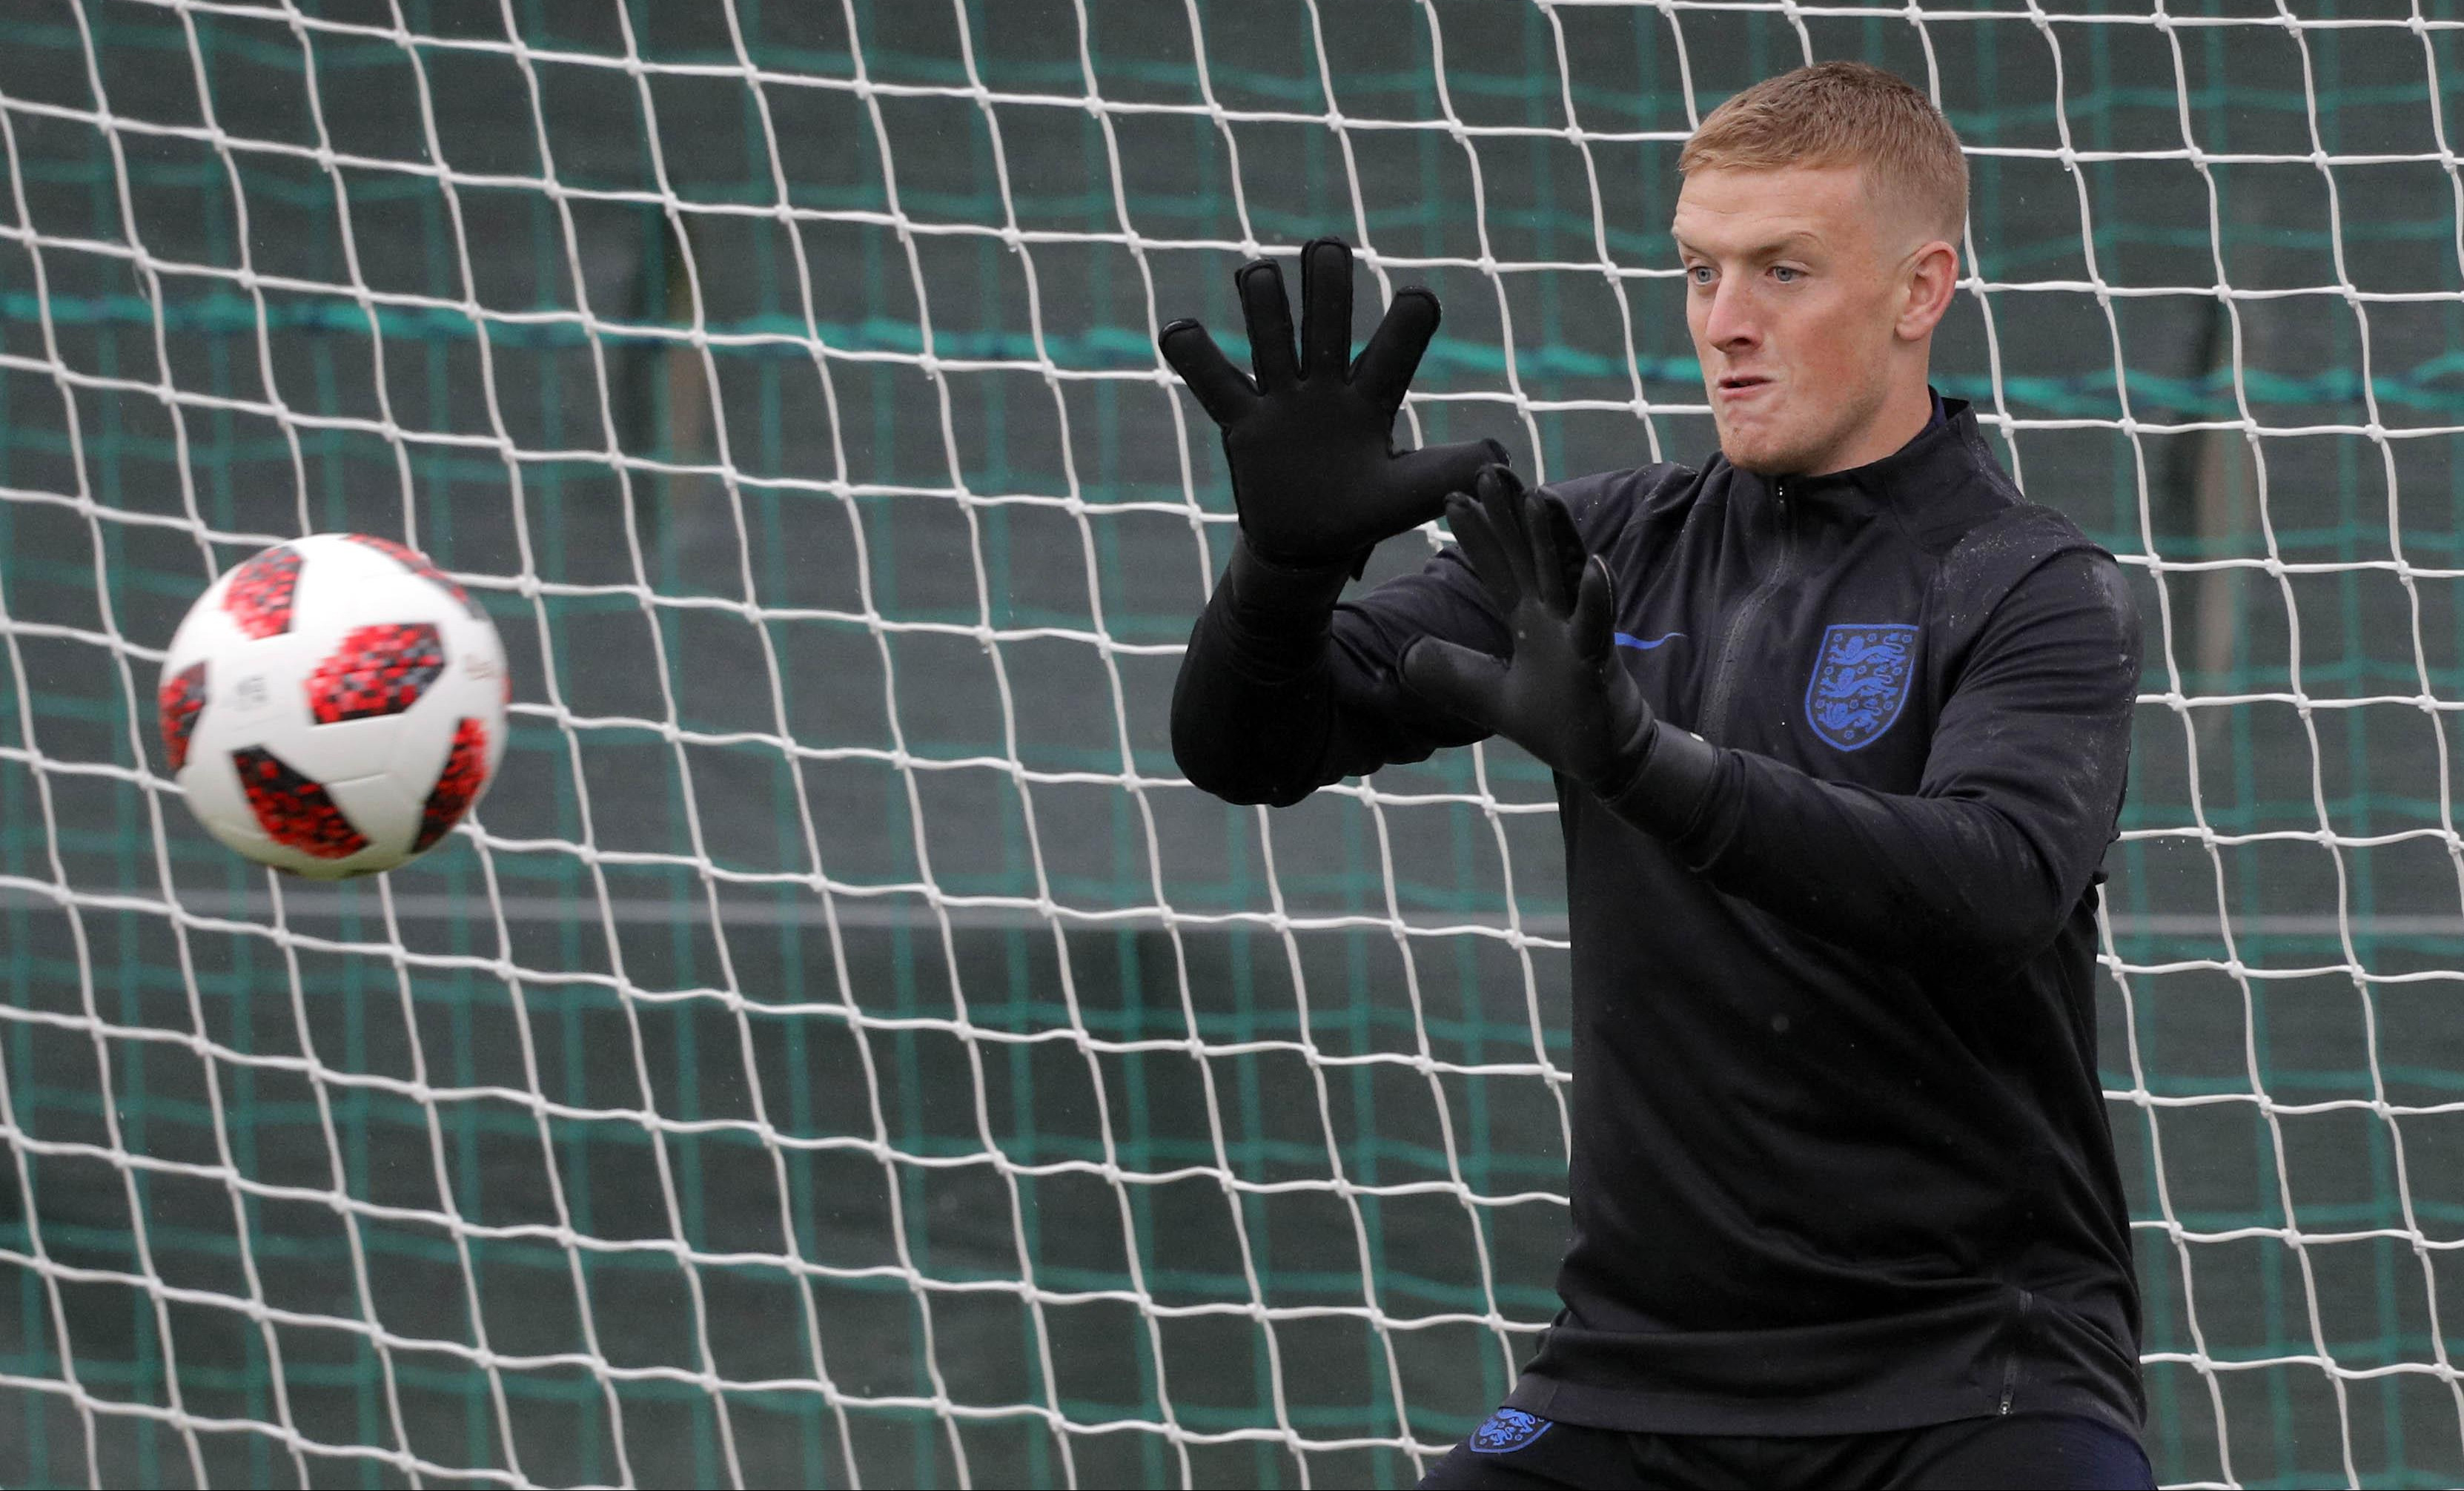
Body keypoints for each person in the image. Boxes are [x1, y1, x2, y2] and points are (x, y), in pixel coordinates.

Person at [1158, 62, 2153, 1491]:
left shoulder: (2032, 585)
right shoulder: (1602, 549)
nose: (1724, 321)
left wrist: (1640, 762)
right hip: (1631, 1374)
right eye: (1700, 270)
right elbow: (1250, 747)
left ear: (1919, 291)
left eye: (1783, 271)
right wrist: (1281, 576)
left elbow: (1992, 885)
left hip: (1971, 1373)